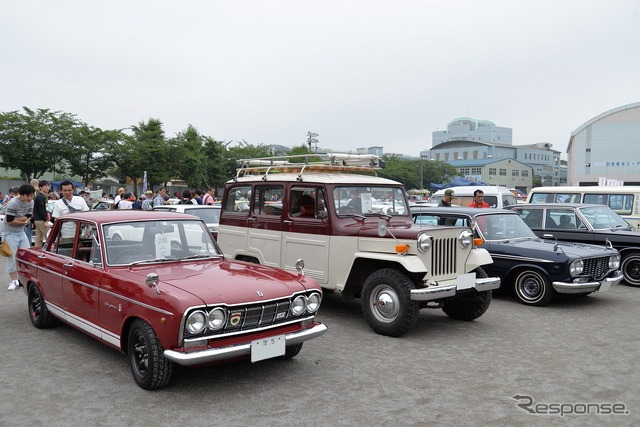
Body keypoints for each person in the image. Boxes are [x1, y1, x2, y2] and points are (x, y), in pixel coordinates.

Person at [4, 184, 35, 290]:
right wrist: (24, 220)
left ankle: (23, 279)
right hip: (9, 233)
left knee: (26, 255)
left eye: (31, 196)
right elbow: (10, 220)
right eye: (28, 196)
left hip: (21, 232)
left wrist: (22, 219)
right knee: (12, 257)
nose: (30, 198)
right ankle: (14, 281)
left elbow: (29, 216)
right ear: (21, 194)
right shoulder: (13, 203)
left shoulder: (31, 202)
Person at [32, 180, 51, 247]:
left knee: (38, 238)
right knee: (49, 237)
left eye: (48, 186)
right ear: (40, 187)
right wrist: (45, 220)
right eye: (45, 186)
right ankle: (52, 252)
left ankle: (36, 252)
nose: (47, 187)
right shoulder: (41, 197)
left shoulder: (38, 197)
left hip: (37, 220)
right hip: (41, 220)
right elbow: (42, 209)